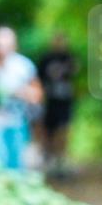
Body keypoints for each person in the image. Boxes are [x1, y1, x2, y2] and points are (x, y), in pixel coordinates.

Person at [0, 26, 43, 171]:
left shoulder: (24, 66)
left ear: (14, 46)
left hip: (18, 121)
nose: (1, 49)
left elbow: (38, 94)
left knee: (17, 164)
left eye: (5, 45)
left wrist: (23, 93)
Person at [37, 33, 78, 178]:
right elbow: (39, 79)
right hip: (50, 101)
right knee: (49, 131)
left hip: (65, 101)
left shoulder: (69, 57)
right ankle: (50, 159)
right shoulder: (46, 59)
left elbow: (74, 73)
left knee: (64, 130)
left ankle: (61, 160)